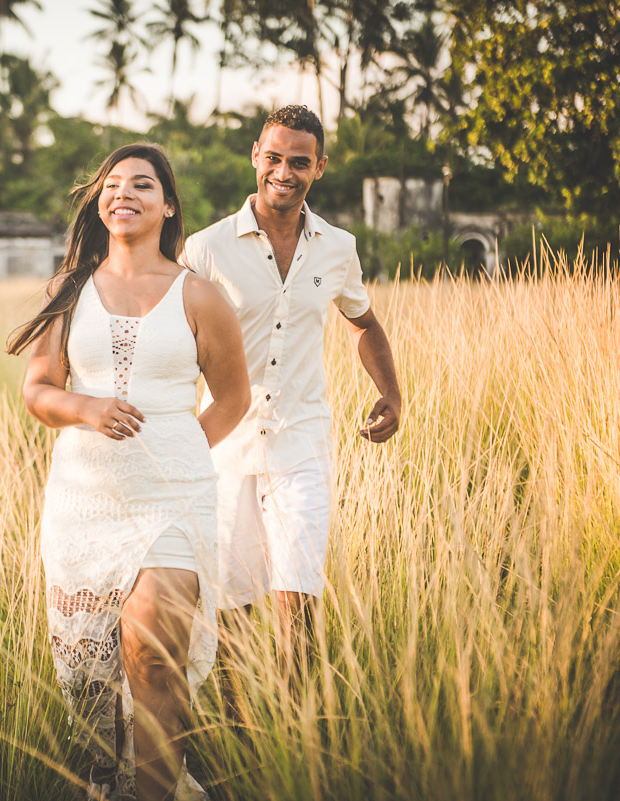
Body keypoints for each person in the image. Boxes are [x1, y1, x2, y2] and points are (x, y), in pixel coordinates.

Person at [7, 143, 250, 801]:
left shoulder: (200, 295)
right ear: (99, 201)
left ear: (168, 205)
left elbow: (232, 398)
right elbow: (37, 391)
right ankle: (120, 781)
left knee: (152, 656)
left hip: (174, 496)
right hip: (84, 498)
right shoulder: (70, 290)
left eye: (142, 184)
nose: (123, 194)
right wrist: (84, 405)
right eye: (112, 185)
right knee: (96, 680)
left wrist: (180, 453)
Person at [179, 105, 402, 681]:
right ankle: (238, 739)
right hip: (224, 449)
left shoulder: (338, 247)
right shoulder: (205, 249)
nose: (283, 171)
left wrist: (392, 396)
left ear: (319, 168)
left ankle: (297, 734)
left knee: (297, 600)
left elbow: (364, 323)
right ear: (256, 154)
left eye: (298, 162)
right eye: (273, 157)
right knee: (230, 609)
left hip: (302, 444)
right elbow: (173, 340)